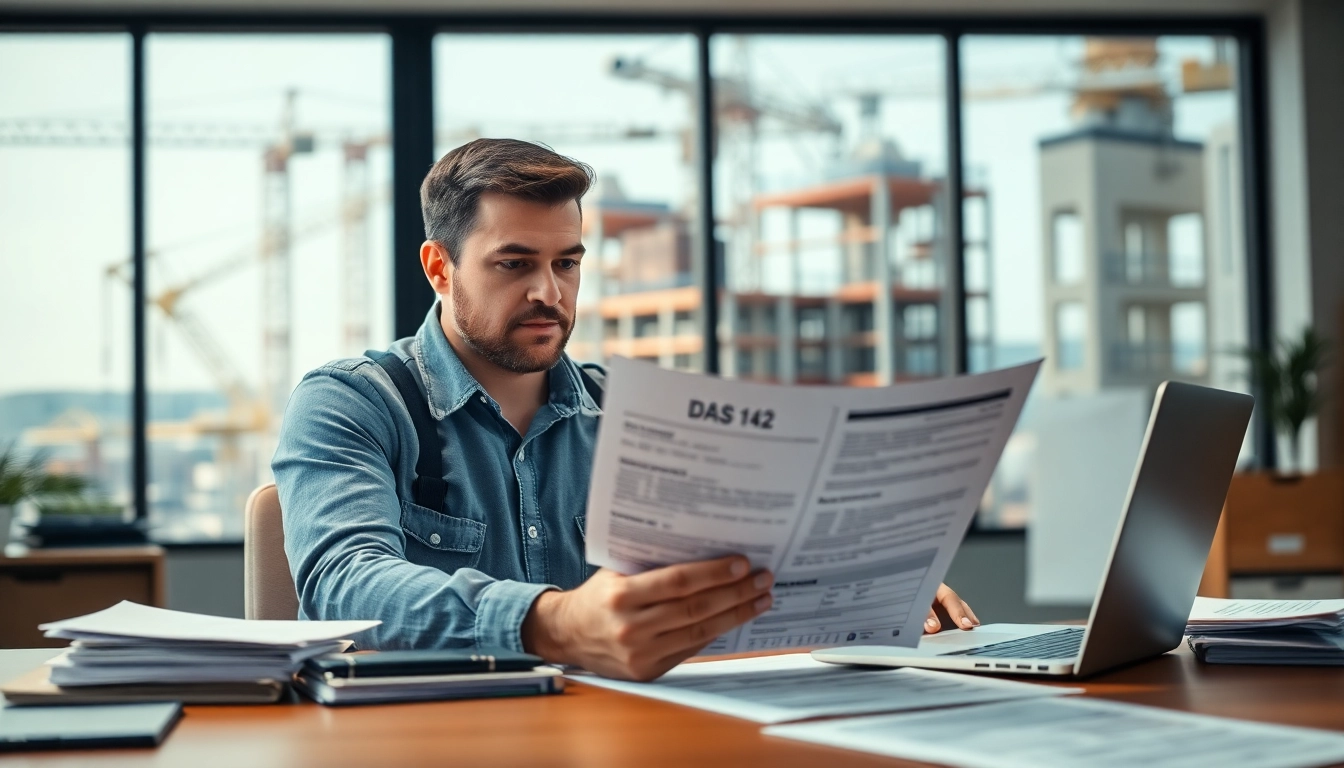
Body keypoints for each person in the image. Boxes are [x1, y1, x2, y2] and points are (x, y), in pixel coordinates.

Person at [273, 138, 980, 682]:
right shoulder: (352, 402)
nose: (550, 292)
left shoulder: (636, 412)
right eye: (514, 264)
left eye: (567, 263)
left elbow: (739, 564)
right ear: (439, 268)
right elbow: (344, 583)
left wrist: (862, 588)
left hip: (614, 733)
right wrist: (552, 622)